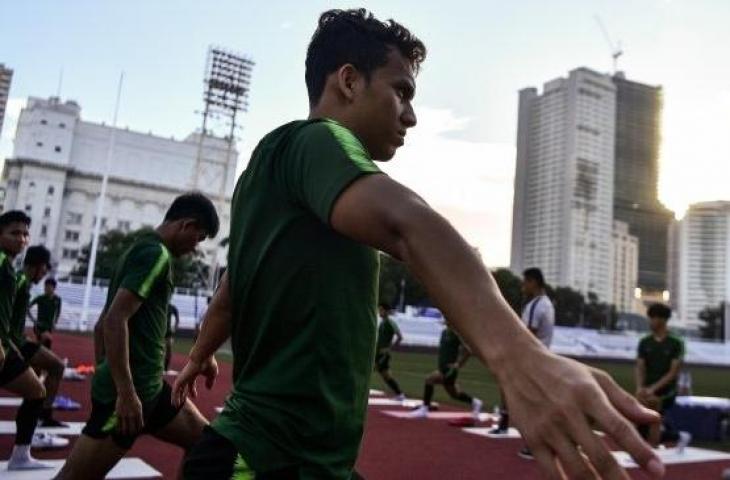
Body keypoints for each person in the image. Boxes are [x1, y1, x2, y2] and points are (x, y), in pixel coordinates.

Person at [173, 9, 664, 480]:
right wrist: (522, 359)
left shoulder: (265, 173)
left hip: (309, 461)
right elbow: (409, 224)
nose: (410, 116)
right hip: (264, 462)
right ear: (348, 81)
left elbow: (234, 289)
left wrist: (200, 352)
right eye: (401, 92)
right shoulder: (319, 140)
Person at [54, 192, 220, 480]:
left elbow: (101, 325)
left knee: (208, 446)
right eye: (199, 237)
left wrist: (108, 372)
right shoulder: (155, 255)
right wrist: (123, 391)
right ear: (186, 225)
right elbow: (115, 319)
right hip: (133, 396)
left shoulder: (140, 249)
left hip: (151, 390)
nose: (196, 247)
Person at [0, 212, 64, 470]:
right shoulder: (12, 271)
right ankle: (29, 440)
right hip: (8, 342)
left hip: (10, 342)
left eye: (25, 234)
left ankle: (31, 434)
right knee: (41, 385)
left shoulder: (10, 269)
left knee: (40, 384)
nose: (21, 238)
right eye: (14, 233)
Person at [10, 246, 68, 429]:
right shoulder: (18, 281)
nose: (44, 275)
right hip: (14, 343)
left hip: (20, 340)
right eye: (44, 269)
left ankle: (39, 416)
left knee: (46, 373)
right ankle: (40, 416)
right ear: (38, 266)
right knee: (54, 369)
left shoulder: (23, 282)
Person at [635, 303, 691, 451]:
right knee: (639, 419)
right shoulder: (644, 342)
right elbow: (640, 367)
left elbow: (673, 372)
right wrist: (640, 387)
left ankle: (655, 449)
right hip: (647, 388)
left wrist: (653, 389)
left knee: (654, 414)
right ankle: (675, 436)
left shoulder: (676, 343)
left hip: (667, 390)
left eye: (652, 318)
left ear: (662, 320)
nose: (650, 322)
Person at [410, 322, 483, 420]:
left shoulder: (457, 333)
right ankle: (476, 402)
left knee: (429, 380)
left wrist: (458, 364)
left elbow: (468, 350)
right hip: (442, 367)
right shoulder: (444, 332)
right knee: (454, 394)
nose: (445, 319)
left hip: (450, 370)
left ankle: (424, 409)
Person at [374, 302, 405, 399]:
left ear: (387, 311)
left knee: (370, 369)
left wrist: (389, 349)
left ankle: (400, 394)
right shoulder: (382, 322)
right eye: (379, 310)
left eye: (381, 310)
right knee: (386, 375)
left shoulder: (390, 322)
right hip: (378, 352)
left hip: (383, 354)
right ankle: (399, 394)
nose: (379, 312)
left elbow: (400, 337)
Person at [30, 277, 62, 349]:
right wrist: (33, 320)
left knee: (45, 347)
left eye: (48, 287)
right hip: (39, 326)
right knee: (46, 341)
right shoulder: (40, 298)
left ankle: (34, 356)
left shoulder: (57, 299)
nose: (46, 288)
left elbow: (58, 311)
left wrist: (55, 321)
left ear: (54, 288)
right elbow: (27, 307)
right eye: (45, 286)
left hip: (49, 327)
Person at [165, 303, 180, 372]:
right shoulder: (159, 305)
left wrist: (175, 327)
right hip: (159, 331)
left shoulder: (171, 307)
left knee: (169, 349)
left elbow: (177, 317)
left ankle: (166, 367)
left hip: (168, 332)